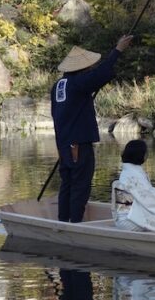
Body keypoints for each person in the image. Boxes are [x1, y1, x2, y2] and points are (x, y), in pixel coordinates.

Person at [51, 35, 133, 223]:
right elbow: (101, 73)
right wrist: (118, 50)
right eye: (87, 67)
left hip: (64, 143)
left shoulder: (59, 86)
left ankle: (64, 220)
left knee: (68, 183)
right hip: (78, 142)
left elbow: (57, 114)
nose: (89, 69)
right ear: (81, 68)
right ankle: (76, 223)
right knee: (81, 183)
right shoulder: (77, 83)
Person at [113, 140, 155, 236]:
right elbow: (150, 197)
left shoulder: (131, 171)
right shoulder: (133, 175)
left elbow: (149, 195)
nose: (147, 154)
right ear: (140, 154)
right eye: (146, 152)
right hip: (129, 219)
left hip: (132, 214)